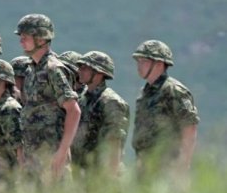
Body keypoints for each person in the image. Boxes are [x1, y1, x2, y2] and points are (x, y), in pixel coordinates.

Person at [16, 14, 80, 182]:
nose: (21, 41)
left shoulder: (54, 69)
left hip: (52, 159)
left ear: (41, 38)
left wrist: (62, 152)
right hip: (33, 160)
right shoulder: (31, 70)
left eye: (25, 37)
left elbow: (73, 111)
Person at [131, 40, 199, 176]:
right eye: (138, 61)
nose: (139, 65)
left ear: (159, 63)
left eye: (144, 61)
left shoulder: (175, 91)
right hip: (145, 168)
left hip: (168, 168)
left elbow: (189, 127)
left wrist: (183, 165)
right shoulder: (145, 93)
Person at [72, 51, 129, 175]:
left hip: (100, 173)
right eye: (80, 67)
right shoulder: (82, 99)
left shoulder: (111, 102)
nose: (79, 71)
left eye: (85, 68)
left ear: (99, 73)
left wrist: (109, 179)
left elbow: (115, 143)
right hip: (81, 172)